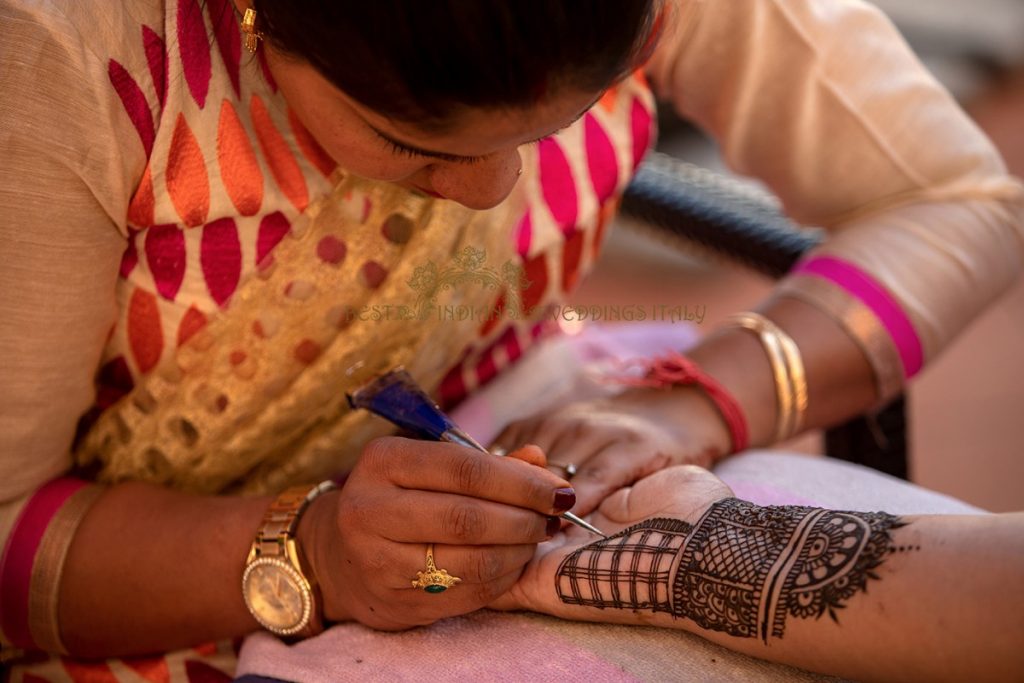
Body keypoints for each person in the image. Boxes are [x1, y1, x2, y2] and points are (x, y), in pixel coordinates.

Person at [0, 0, 1020, 679]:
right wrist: (310, 552)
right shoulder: (58, 56)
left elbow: (959, 201)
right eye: (409, 143)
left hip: (517, 414)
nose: (497, 192)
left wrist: (698, 400)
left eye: (551, 130)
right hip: (137, 588)